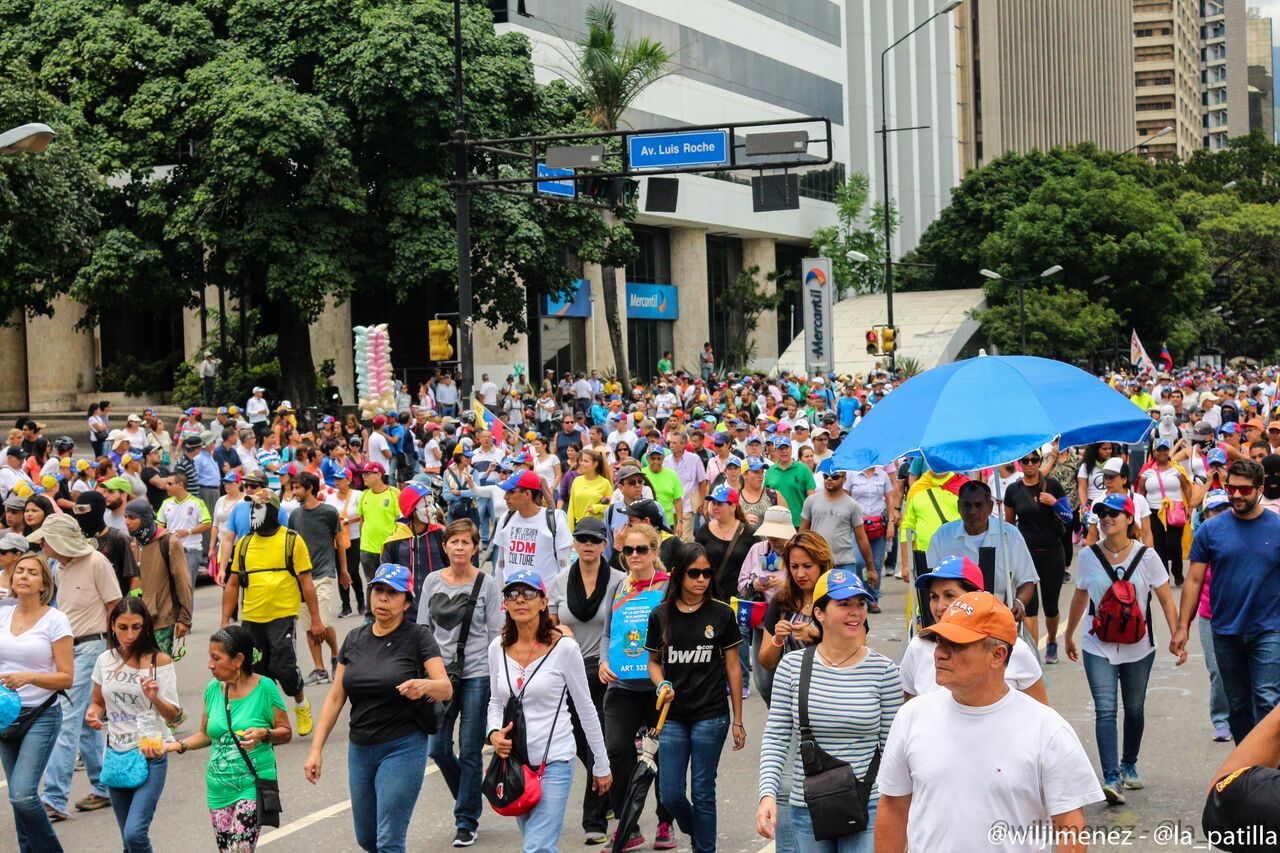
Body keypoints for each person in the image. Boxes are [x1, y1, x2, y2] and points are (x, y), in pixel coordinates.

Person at [874, 592, 1103, 852]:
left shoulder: (1047, 730)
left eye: (956, 645)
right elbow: (893, 807)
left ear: (997, 655)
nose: (939, 653)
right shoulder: (912, 716)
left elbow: (1069, 826)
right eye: (939, 641)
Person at [304, 563, 452, 853]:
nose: (383, 599)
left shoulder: (417, 637)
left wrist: (422, 686)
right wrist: (316, 749)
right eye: (378, 591)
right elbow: (336, 697)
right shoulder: (355, 639)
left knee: (389, 840)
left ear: (407, 602)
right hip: (360, 748)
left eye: (392, 593)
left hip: (403, 746)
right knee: (367, 838)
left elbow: (444, 687)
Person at [756, 568, 901, 852]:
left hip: (869, 804)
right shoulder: (791, 666)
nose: (855, 612)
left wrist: (896, 809)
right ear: (819, 613)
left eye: (860, 603)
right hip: (807, 805)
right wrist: (767, 795)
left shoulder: (884, 670)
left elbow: (892, 750)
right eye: (844, 604)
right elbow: (776, 737)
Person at [1064, 493, 1183, 805]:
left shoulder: (1147, 557)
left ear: (1130, 519)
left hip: (1139, 647)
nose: (1106, 518)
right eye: (1102, 514)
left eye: (1114, 513)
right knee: (1105, 709)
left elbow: (1166, 599)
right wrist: (1067, 634)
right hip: (1097, 644)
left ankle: (1129, 763)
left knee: (1134, 708)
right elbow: (1079, 597)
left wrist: (1177, 634)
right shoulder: (1088, 556)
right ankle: (1111, 776)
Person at [488, 568, 612, 852]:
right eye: (513, 594)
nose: (521, 600)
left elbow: (586, 709)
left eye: (529, 593)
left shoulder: (565, 648)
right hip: (515, 765)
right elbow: (495, 702)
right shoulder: (497, 648)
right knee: (540, 844)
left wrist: (600, 764)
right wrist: (493, 733)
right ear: (505, 603)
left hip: (554, 761)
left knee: (537, 847)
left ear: (544, 602)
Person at [147, 626, 291, 852]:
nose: (209, 665)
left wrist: (265, 734)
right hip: (218, 790)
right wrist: (173, 746)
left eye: (216, 658)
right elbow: (205, 735)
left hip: (251, 785)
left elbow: (286, 731)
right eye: (209, 657)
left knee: (239, 849)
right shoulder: (213, 690)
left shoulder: (265, 688)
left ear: (238, 660)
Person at [646, 542, 745, 853]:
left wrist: (738, 720)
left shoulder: (723, 614)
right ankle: (697, 830)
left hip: (712, 715)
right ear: (678, 575)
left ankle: (704, 848)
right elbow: (653, 662)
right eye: (694, 573)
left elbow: (733, 667)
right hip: (672, 716)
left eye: (706, 573)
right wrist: (661, 685)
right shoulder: (660, 615)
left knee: (703, 791)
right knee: (671, 792)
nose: (701, 579)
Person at [1173, 458, 1280, 743]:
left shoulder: (1277, 527)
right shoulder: (1210, 529)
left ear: (1259, 490)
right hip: (1225, 630)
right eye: (1231, 489)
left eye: (1244, 491)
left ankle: (1268, 772)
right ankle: (1246, 770)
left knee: (1267, 699)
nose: (1235, 495)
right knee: (1238, 705)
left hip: (1269, 629)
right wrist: (1183, 626)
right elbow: (1194, 580)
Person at [30, 513, 122, 820]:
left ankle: (54, 798)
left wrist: (117, 652)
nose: (41, 543)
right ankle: (104, 787)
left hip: (94, 646)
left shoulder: (96, 562)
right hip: (68, 649)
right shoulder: (59, 567)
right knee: (84, 722)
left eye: (45, 538)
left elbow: (115, 608)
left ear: (58, 540)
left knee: (66, 722)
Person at [417, 520, 503, 847]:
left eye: (466, 542)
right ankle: (469, 797)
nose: (459, 548)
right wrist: (423, 676)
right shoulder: (431, 582)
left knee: (470, 750)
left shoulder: (488, 583)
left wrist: (500, 681)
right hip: (440, 676)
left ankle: (465, 820)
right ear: (445, 546)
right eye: (453, 542)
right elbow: (422, 629)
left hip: (477, 674)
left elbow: (496, 634)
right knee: (437, 748)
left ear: (474, 547)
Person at [220, 490, 322, 737]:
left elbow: (307, 582)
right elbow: (233, 584)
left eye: (259, 506)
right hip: (252, 618)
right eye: (252, 507)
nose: (254, 512)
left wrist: (316, 619)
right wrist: (225, 621)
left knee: (284, 667)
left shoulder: (291, 540)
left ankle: (301, 705)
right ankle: (269, 720)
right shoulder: (244, 544)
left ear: (274, 511)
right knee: (258, 672)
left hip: (283, 616)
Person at [599, 523, 676, 850]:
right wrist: (603, 661)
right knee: (616, 750)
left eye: (641, 549)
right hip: (622, 685)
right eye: (627, 551)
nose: (634, 556)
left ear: (655, 552)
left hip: (658, 685)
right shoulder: (618, 587)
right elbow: (607, 633)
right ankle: (627, 824)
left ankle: (664, 822)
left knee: (662, 757)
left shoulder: (668, 587)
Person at [548, 516, 624, 845]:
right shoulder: (560, 580)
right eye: (582, 539)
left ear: (605, 545)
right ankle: (607, 786)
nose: (589, 545)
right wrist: (560, 630)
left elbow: (625, 628)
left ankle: (594, 820)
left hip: (605, 669)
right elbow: (548, 624)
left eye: (595, 540)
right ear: (575, 544)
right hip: (568, 669)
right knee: (579, 739)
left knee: (599, 741)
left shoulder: (620, 581)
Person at [86, 598, 181, 853]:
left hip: (150, 753)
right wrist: (93, 715)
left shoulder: (159, 661)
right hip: (116, 754)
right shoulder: (105, 660)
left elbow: (174, 716)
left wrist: (155, 698)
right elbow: (97, 703)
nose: (130, 635)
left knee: (135, 834)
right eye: (123, 627)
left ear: (146, 627)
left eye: (137, 627)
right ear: (113, 626)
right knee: (127, 841)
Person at [900, 555, 1047, 704]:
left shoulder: (1014, 649)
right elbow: (910, 713)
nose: (939, 606)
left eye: (950, 595)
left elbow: (1040, 715)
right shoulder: (917, 647)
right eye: (934, 596)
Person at [0, 552, 72, 852]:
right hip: (4, 714)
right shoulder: (2, 614)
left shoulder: (56, 620)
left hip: (40, 713)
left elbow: (66, 677)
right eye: (19, 572)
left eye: (31, 572)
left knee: (21, 794)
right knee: (20, 802)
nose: (23, 576)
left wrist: (28, 677)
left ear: (45, 583)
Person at [924, 481, 1038, 624]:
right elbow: (930, 583)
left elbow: (1027, 580)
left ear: (990, 507)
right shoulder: (942, 536)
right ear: (959, 506)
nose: (972, 511)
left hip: (998, 622)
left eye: (978, 505)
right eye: (967, 505)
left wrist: (1019, 603)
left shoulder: (1010, 536)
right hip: (953, 624)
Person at [1004, 449, 1069, 663]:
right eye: (1025, 460)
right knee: (1029, 606)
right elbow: (1009, 526)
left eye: (1034, 460)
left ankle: (1051, 641)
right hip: (1026, 553)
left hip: (1052, 552)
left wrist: (1054, 503)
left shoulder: (1053, 486)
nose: (1030, 464)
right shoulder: (1013, 490)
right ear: (1020, 463)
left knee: (1050, 607)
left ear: (1040, 461)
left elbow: (1069, 518)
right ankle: (1033, 655)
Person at [695, 484, 758, 695]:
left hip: (739, 595)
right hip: (711, 593)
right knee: (711, 637)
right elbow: (697, 560)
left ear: (733, 506)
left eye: (720, 503)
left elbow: (757, 560)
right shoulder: (704, 530)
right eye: (712, 502)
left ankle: (742, 682)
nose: (714, 507)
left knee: (738, 638)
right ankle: (716, 679)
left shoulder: (748, 532)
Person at [124, 499, 193, 657]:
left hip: (162, 620)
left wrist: (184, 619)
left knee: (160, 672)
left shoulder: (169, 542)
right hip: (136, 621)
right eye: (125, 517)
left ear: (145, 518)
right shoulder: (135, 542)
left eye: (132, 518)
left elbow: (183, 582)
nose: (127, 522)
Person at [801, 463, 878, 598]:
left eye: (835, 476)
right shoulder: (811, 501)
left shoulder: (852, 505)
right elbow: (802, 534)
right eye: (826, 476)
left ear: (844, 480)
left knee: (846, 602)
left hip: (844, 564)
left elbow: (861, 538)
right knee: (819, 602)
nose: (829, 479)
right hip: (818, 563)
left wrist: (871, 569)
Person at [492, 470, 572, 589]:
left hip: (545, 603)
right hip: (512, 600)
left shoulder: (555, 519)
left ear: (527, 494)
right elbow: (500, 566)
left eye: (511, 492)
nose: (505, 497)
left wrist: (556, 603)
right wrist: (500, 601)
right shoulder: (505, 519)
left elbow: (565, 568)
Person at [1140, 437, 1192, 586]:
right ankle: (1164, 577)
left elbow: (1187, 488)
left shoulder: (1177, 470)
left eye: (1165, 449)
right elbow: (1141, 491)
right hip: (1153, 512)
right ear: (1154, 452)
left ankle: (1177, 570)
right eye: (1159, 450)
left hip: (1174, 511)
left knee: (1174, 543)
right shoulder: (1146, 472)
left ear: (1168, 451)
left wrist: (1190, 507)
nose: (1162, 452)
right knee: (1159, 545)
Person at [157, 471, 211, 591]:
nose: (167, 487)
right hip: (171, 551)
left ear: (180, 485)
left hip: (190, 551)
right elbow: (159, 526)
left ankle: (186, 610)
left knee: (186, 588)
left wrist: (188, 531)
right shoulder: (166, 503)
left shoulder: (197, 503)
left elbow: (207, 524)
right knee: (171, 589)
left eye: (170, 484)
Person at [764, 438, 814, 529]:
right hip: (777, 524)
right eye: (780, 449)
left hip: (800, 524)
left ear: (791, 449)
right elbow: (765, 499)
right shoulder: (770, 472)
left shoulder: (803, 469)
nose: (784, 451)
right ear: (775, 451)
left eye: (786, 448)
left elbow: (812, 498)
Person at [567, 449, 613, 530]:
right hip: (579, 527)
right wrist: (569, 531)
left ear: (595, 464)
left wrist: (597, 508)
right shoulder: (577, 481)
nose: (582, 463)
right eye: (581, 460)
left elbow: (612, 507)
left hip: (597, 528)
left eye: (586, 461)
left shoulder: (605, 483)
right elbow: (571, 508)